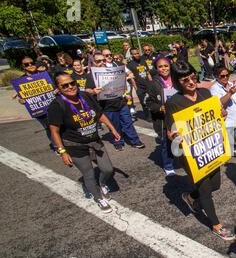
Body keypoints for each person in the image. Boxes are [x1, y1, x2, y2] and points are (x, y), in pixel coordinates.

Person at [164, 61, 236, 241]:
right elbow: (169, 132)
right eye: (184, 80)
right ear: (177, 82)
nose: (190, 82)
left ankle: (190, 196)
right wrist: (175, 136)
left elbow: (218, 112)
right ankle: (216, 225)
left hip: (211, 149)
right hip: (191, 155)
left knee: (215, 185)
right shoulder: (173, 102)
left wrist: (222, 114)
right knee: (205, 190)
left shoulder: (205, 93)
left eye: (192, 77)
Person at [47, 72, 120, 213]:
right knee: (88, 173)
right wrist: (62, 152)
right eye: (65, 85)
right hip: (75, 145)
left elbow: (99, 114)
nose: (70, 87)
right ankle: (98, 197)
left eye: (72, 83)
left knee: (107, 169)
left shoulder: (85, 96)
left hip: (95, 141)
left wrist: (112, 129)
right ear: (58, 88)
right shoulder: (57, 105)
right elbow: (54, 131)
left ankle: (102, 184)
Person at [85, 52, 145, 151]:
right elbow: (87, 90)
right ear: (93, 62)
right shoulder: (90, 75)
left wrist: (126, 94)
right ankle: (118, 142)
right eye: (98, 61)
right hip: (106, 106)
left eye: (103, 60)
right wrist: (93, 91)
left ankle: (135, 141)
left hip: (121, 102)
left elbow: (122, 83)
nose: (101, 63)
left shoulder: (113, 70)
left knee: (128, 123)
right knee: (114, 125)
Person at [13, 56, 57, 152]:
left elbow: (55, 87)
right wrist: (21, 101)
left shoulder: (45, 75)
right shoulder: (21, 81)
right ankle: (56, 146)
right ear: (23, 67)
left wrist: (56, 90)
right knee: (49, 128)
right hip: (39, 109)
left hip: (53, 106)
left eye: (31, 63)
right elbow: (21, 98)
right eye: (26, 64)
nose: (30, 65)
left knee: (59, 125)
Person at [145, 56, 176, 176]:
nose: (164, 68)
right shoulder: (153, 84)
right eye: (160, 66)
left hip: (179, 116)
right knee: (166, 144)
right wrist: (159, 108)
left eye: (166, 66)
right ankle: (168, 166)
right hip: (163, 120)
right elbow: (148, 102)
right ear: (156, 69)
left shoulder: (177, 79)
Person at [127, 48, 153, 121]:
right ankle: (148, 116)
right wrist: (136, 88)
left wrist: (151, 82)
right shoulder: (130, 65)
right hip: (139, 87)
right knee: (143, 102)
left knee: (151, 100)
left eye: (137, 53)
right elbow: (132, 78)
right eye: (134, 54)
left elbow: (148, 73)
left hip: (148, 84)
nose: (137, 55)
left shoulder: (143, 61)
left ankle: (153, 114)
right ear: (132, 55)